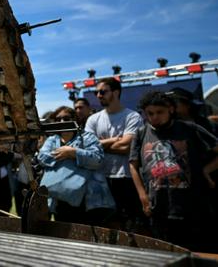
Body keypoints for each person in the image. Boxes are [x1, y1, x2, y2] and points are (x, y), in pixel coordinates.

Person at [130, 91, 218, 252]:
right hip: (159, 207)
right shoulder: (141, 134)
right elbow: (133, 166)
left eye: (159, 112)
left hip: (192, 207)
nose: (154, 117)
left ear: (170, 109)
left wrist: (206, 170)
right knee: (167, 253)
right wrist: (143, 196)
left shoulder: (190, 129)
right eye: (150, 113)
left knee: (199, 253)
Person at [38, 106, 115, 226]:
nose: (62, 122)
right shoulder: (52, 139)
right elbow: (42, 157)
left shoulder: (87, 137)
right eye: (58, 119)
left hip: (86, 200)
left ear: (75, 119)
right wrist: (65, 153)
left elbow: (97, 159)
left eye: (66, 118)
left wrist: (73, 152)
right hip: (58, 199)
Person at [85, 78, 144, 231]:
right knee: (105, 225)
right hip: (100, 179)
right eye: (96, 92)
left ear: (116, 92)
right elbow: (87, 146)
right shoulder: (93, 119)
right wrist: (114, 140)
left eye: (102, 91)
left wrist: (100, 145)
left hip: (125, 178)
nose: (98, 95)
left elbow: (126, 146)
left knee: (129, 225)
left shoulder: (132, 117)